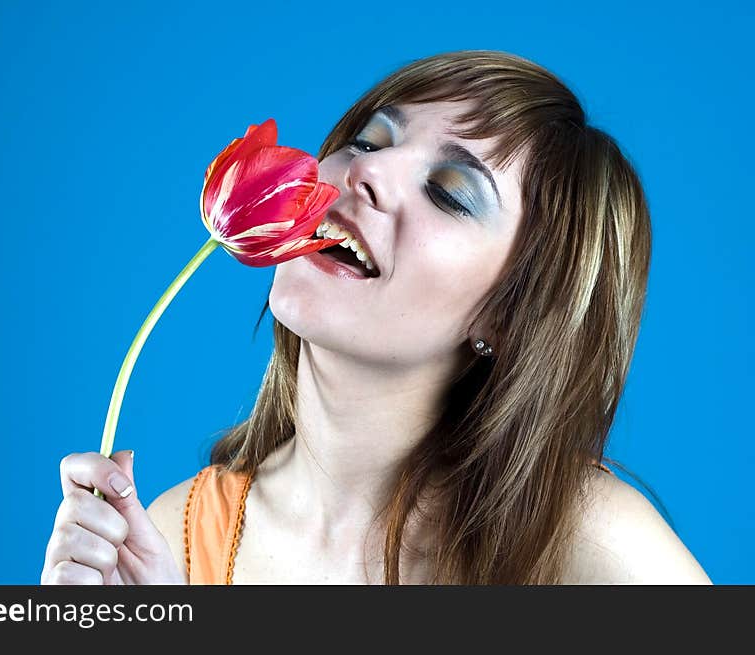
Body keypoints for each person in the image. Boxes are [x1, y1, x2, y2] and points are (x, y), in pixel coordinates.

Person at [41, 50, 712, 585]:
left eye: (451, 193)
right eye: (369, 138)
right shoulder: (174, 539)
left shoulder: (585, 542)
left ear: (509, 316)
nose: (370, 170)